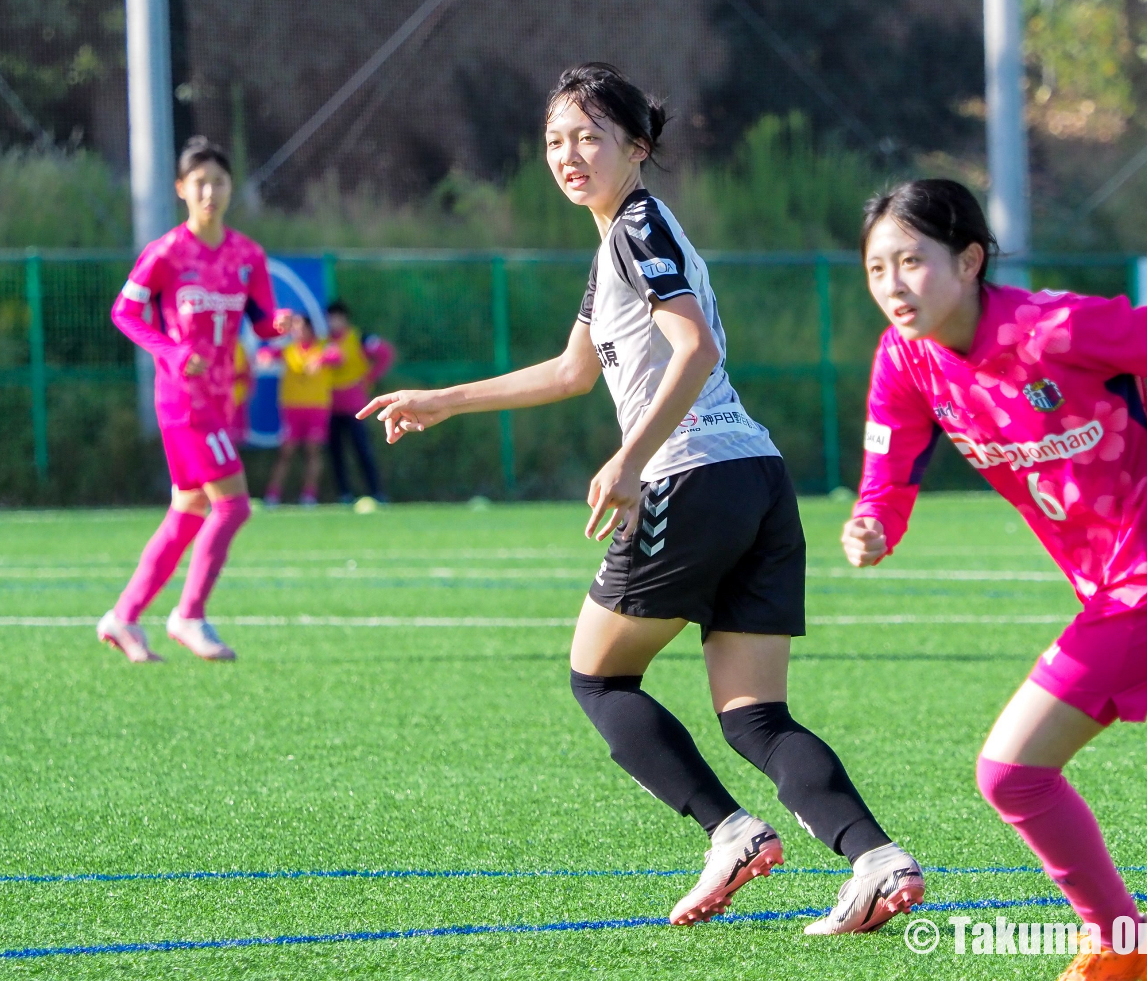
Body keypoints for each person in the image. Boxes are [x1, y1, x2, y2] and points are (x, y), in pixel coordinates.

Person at [360, 64, 924, 934]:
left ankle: (732, 832)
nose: (569, 154)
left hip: (692, 475)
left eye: (590, 136)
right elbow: (571, 371)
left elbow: (691, 347)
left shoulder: (635, 227)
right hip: (758, 477)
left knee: (598, 675)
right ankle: (877, 860)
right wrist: (442, 400)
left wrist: (631, 457)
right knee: (756, 716)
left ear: (638, 146)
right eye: (555, 139)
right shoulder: (620, 238)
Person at [846, 178, 1147, 981]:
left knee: (1011, 771)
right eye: (876, 268)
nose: (893, 286)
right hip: (1130, 583)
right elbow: (889, 467)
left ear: (970, 260)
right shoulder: (908, 356)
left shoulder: (1059, 327)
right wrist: (874, 523)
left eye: (912, 261)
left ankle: (1119, 940)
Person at [101, 136, 289, 663]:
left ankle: (124, 616)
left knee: (188, 509)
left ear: (230, 189)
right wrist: (173, 353)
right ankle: (189, 615)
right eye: (199, 182)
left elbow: (261, 322)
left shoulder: (247, 255)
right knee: (233, 506)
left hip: (221, 399)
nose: (210, 191)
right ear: (182, 189)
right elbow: (125, 312)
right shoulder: (166, 253)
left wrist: (282, 325)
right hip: (183, 400)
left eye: (219, 182)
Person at [262, 313, 340, 506]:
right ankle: (273, 495)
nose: (296, 332)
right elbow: (266, 354)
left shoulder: (323, 346)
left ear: (309, 329)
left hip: (316, 406)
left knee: (313, 451)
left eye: (300, 327)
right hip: (291, 407)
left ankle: (309, 495)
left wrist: (321, 361)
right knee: (286, 451)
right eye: (293, 328)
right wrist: (264, 357)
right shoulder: (288, 349)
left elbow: (337, 356)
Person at [325, 300, 394, 506]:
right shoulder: (325, 342)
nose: (332, 322)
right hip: (330, 406)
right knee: (336, 453)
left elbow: (385, 354)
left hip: (356, 407)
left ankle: (376, 492)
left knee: (362, 450)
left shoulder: (359, 339)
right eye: (329, 318)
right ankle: (344, 494)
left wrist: (370, 378)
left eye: (336, 317)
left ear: (344, 318)